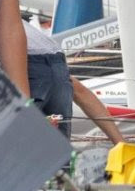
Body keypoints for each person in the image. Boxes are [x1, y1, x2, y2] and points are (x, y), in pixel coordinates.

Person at [24, 16, 126, 144]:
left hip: (25, 59)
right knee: (57, 153)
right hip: (55, 58)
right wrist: (120, 142)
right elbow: (80, 92)